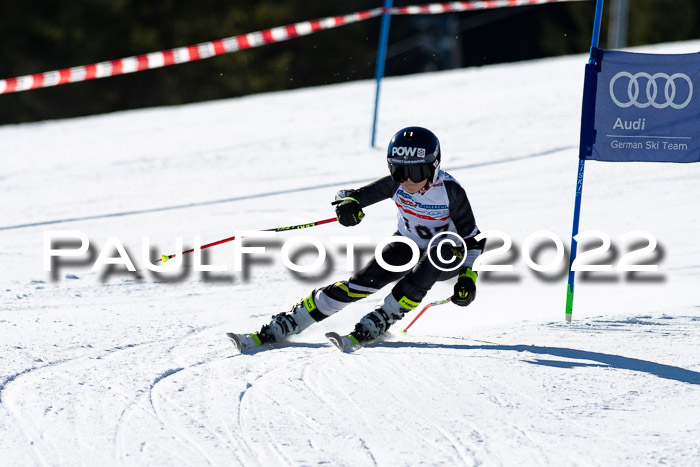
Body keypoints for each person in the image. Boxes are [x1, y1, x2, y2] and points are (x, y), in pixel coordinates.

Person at [237, 126, 485, 350]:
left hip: (446, 257)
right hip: (406, 244)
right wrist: (348, 206)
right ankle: (294, 320)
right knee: (362, 282)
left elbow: (473, 240)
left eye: (417, 171)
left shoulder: (450, 191)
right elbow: (350, 195)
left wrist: (467, 278)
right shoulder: (394, 185)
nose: (408, 180)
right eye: (399, 171)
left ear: (434, 167)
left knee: (439, 248)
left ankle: (386, 315)